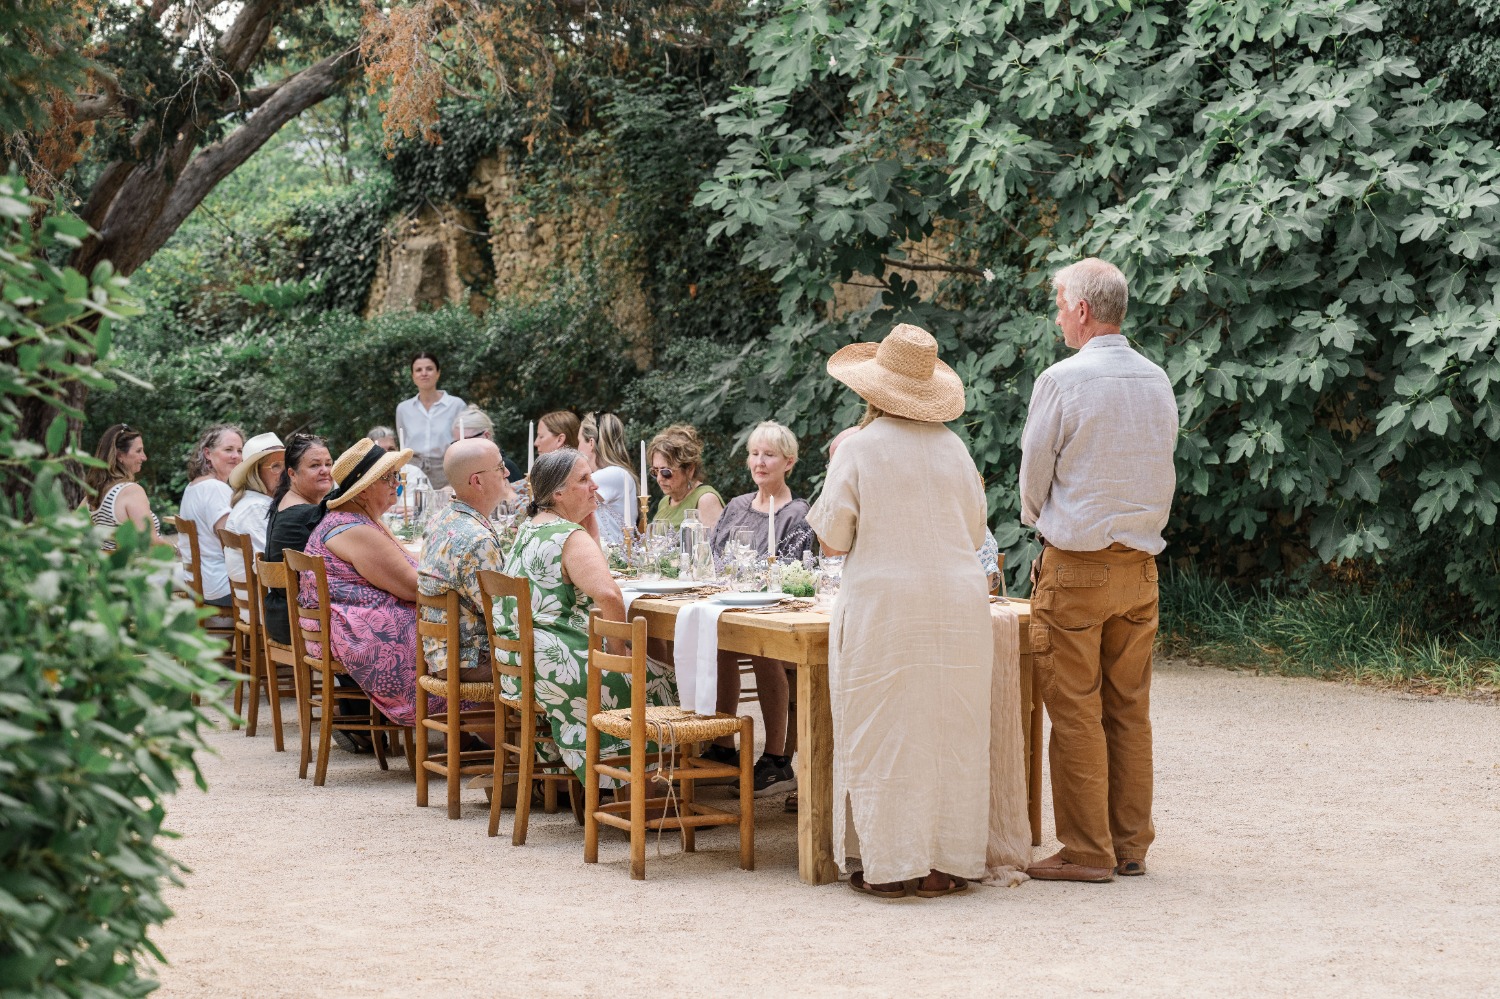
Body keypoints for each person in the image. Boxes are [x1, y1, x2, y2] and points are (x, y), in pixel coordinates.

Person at [805, 323, 992, 899]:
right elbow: (975, 529)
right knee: (952, 730)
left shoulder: (859, 447)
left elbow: (833, 540)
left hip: (887, 603)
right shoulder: (954, 448)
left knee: (885, 729)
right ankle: (949, 860)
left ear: (872, 389)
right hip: (958, 603)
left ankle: (893, 864)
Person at [1019, 258, 1178, 884]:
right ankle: (1130, 842)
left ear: (1082, 310)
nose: (1058, 313)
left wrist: (1039, 520)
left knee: (1077, 710)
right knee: (1129, 708)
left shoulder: (1061, 379)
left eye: (1060, 303)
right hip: (1139, 567)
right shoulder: (1157, 378)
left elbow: (1035, 472)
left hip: (1077, 565)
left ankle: (1087, 850)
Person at [493, 448, 677, 793]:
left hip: (521, 665)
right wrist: (618, 653)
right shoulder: (568, 537)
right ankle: (637, 789)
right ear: (557, 493)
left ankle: (595, 781)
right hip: (555, 668)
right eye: (584, 479)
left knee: (648, 666)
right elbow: (608, 595)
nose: (594, 486)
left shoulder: (530, 529)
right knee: (663, 678)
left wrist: (587, 523)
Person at [299, 437, 468, 728]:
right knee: (461, 634)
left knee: (457, 629)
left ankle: (465, 733)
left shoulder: (357, 519)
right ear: (363, 490)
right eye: (388, 477)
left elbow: (405, 560)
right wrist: (464, 575)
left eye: (395, 475)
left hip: (344, 625)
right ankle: (477, 731)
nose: (397, 482)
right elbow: (414, 588)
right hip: (353, 635)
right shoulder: (354, 529)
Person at [701, 420, 815, 796]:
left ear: (789, 462)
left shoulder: (797, 513)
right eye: (754, 454)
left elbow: (796, 568)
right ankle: (722, 744)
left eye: (769, 455)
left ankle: (777, 758)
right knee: (717, 646)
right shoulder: (735, 506)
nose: (760, 462)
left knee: (764, 654)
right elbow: (714, 558)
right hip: (731, 604)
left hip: (774, 610)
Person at [418, 438, 510, 678]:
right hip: (473, 660)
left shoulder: (442, 519)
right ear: (477, 481)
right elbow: (504, 615)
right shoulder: (477, 540)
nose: (507, 472)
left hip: (443, 655)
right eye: (500, 467)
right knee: (568, 660)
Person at [263, 433, 334, 645]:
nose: (325, 470)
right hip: (299, 622)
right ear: (292, 474)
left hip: (281, 616)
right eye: (315, 465)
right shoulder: (307, 514)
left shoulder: (283, 502)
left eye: (328, 463)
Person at [177, 424, 245, 607]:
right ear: (208, 453)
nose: (236, 456)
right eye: (228, 449)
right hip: (219, 585)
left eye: (239, 450)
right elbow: (232, 544)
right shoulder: (216, 488)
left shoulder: (192, 487)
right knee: (281, 591)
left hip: (198, 583)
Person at [395, 352, 466, 490]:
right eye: (418, 370)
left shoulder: (456, 405)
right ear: (413, 376)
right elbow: (402, 442)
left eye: (429, 368)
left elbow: (462, 443)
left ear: (438, 373)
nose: (424, 373)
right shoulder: (403, 409)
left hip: (446, 471)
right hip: (413, 472)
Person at [87, 423, 163, 550]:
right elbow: (150, 540)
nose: (144, 457)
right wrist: (178, 549)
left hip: (107, 567)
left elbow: (74, 528)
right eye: (138, 451)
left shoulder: (94, 493)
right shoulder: (131, 491)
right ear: (120, 455)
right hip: (138, 567)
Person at [224, 432, 285, 581]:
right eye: (276, 466)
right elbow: (272, 567)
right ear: (255, 473)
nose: (285, 473)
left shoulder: (257, 501)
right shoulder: (255, 508)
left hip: (262, 595)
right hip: (262, 599)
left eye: (286, 465)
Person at [648, 424, 724, 529]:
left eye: (666, 472)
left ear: (689, 469)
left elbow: (715, 544)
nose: (659, 479)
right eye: (655, 471)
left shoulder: (706, 500)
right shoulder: (665, 501)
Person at [580, 412, 639, 547]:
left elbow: (567, 499)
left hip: (614, 558)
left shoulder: (613, 474)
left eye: (579, 442)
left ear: (591, 443)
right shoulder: (616, 474)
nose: (577, 448)